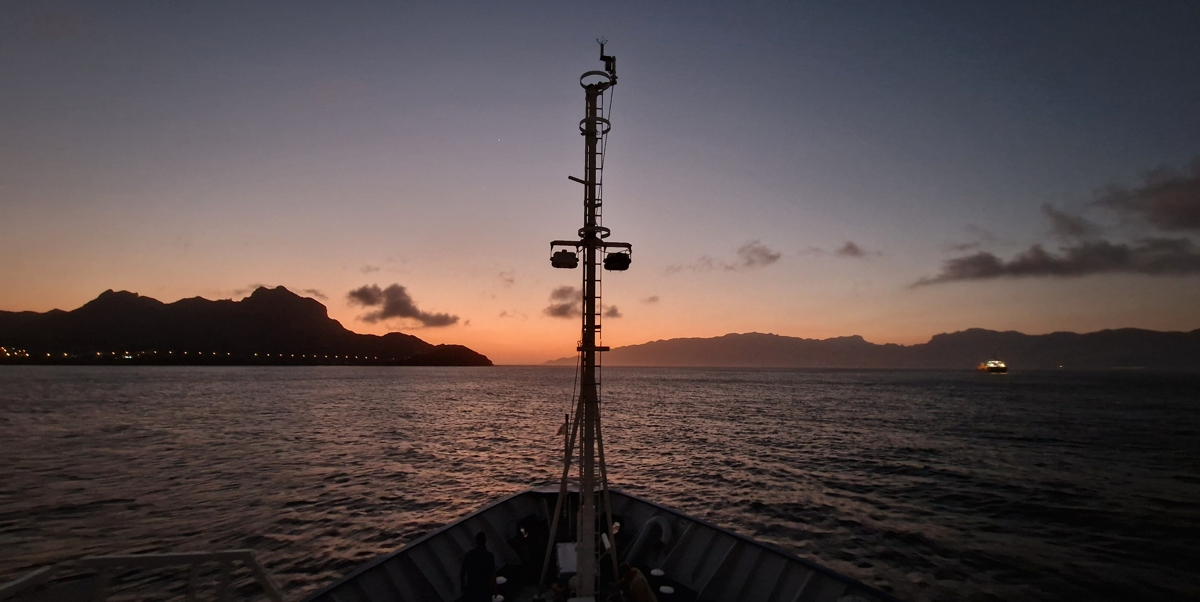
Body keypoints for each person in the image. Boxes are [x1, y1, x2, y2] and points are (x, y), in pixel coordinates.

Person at [459, 532, 496, 602]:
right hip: (485, 588)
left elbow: (462, 572)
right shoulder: (489, 556)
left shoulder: (469, 555)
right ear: (485, 541)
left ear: (476, 541)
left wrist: (463, 585)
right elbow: (492, 574)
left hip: (472, 588)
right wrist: (495, 589)